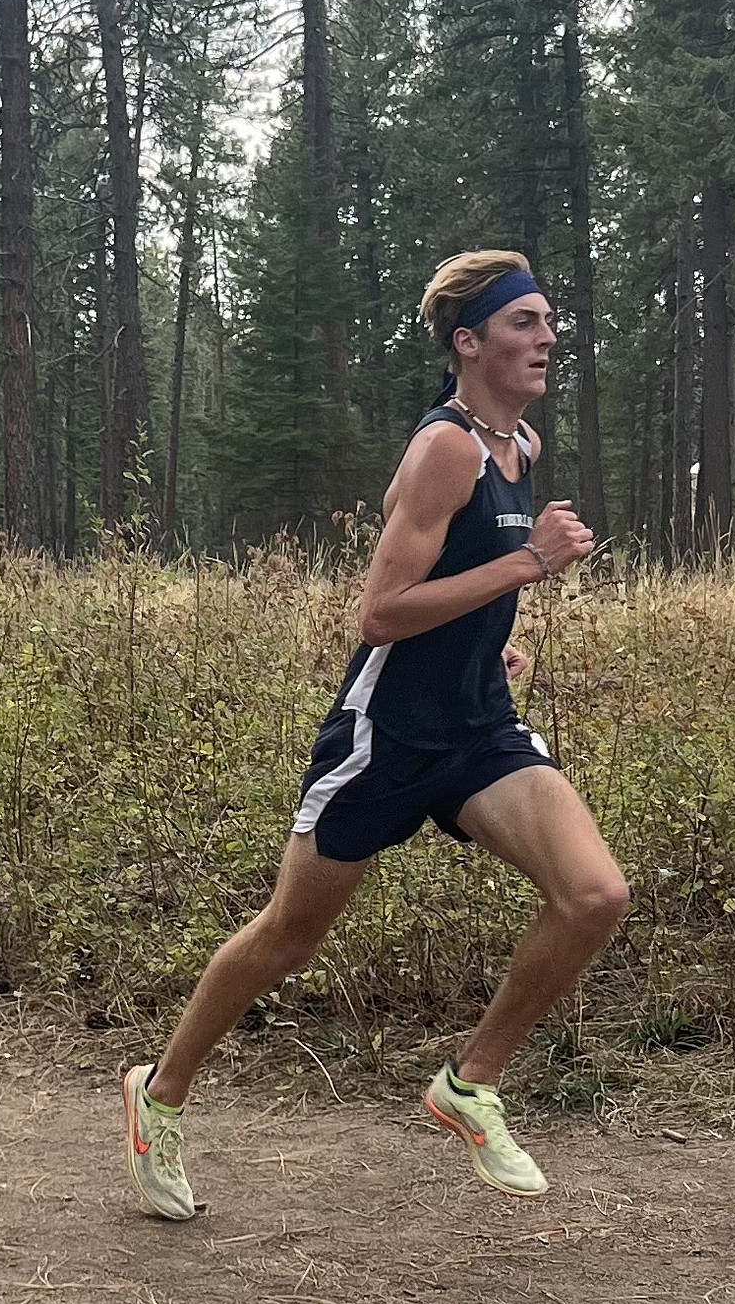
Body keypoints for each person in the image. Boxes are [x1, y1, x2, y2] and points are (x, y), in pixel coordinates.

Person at [122, 249, 629, 1215]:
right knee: (287, 938)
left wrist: (490, 649)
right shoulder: (447, 448)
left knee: (595, 894)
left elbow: (456, 594)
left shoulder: (518, 448)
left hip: (477, 725)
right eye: (523, 322)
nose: (547, 337)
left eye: (547, 321)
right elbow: (383, 614)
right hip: (386, 737)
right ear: (467, 343)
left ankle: (468, 1084)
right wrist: (528, 565)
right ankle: (162, 1096)